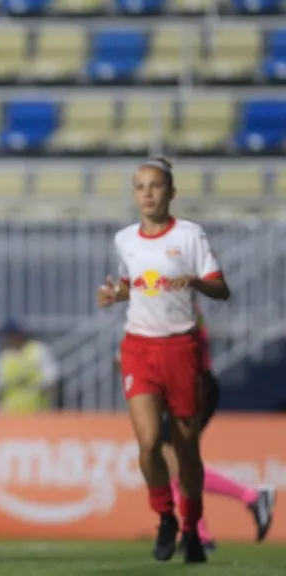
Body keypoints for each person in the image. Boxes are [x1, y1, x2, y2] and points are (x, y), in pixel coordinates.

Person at [97, 157, 231, 564]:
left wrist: (194, 281)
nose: (148, 193)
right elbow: (131, 284)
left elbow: (221, 288)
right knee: (150, 443)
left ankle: (191, 526)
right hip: (139, 347)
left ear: (171, 192)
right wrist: (113, 293)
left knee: (187, 448)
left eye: (155, 186)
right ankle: (165, 517)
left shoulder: (190, 236)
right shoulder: (125, 240)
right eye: (141, 187)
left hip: (182, 349)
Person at [158, 305, 276, 551]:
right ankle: (205, 530)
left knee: (171, 463)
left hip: (194, 387)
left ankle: (202, 531)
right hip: (193, 387)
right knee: (176, 466)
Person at [0, 320, 59, 413]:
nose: (12, 338)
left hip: (37, 413)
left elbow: (51, 379)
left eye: (14, 334)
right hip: (10, 415)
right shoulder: (4, 357)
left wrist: (34, 385)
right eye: (9, 335)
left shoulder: (38, 350)